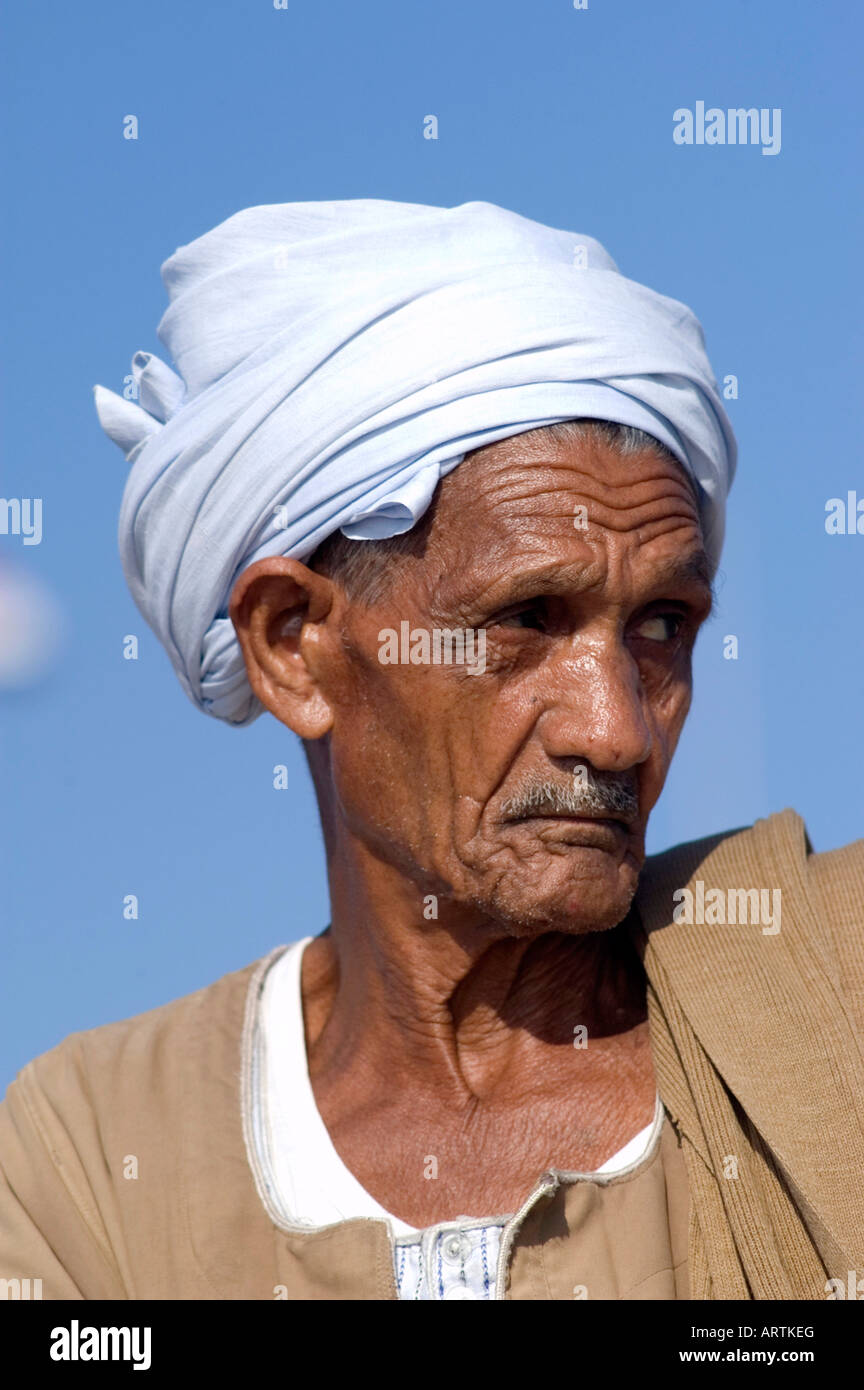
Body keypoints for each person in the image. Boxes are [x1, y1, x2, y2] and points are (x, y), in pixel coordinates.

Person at [1, 199, 861, 1301]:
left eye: (661, 626)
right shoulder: (94, 1158)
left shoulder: (836, 988)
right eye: (525, 620)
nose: (616, 727)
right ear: (294, 648)